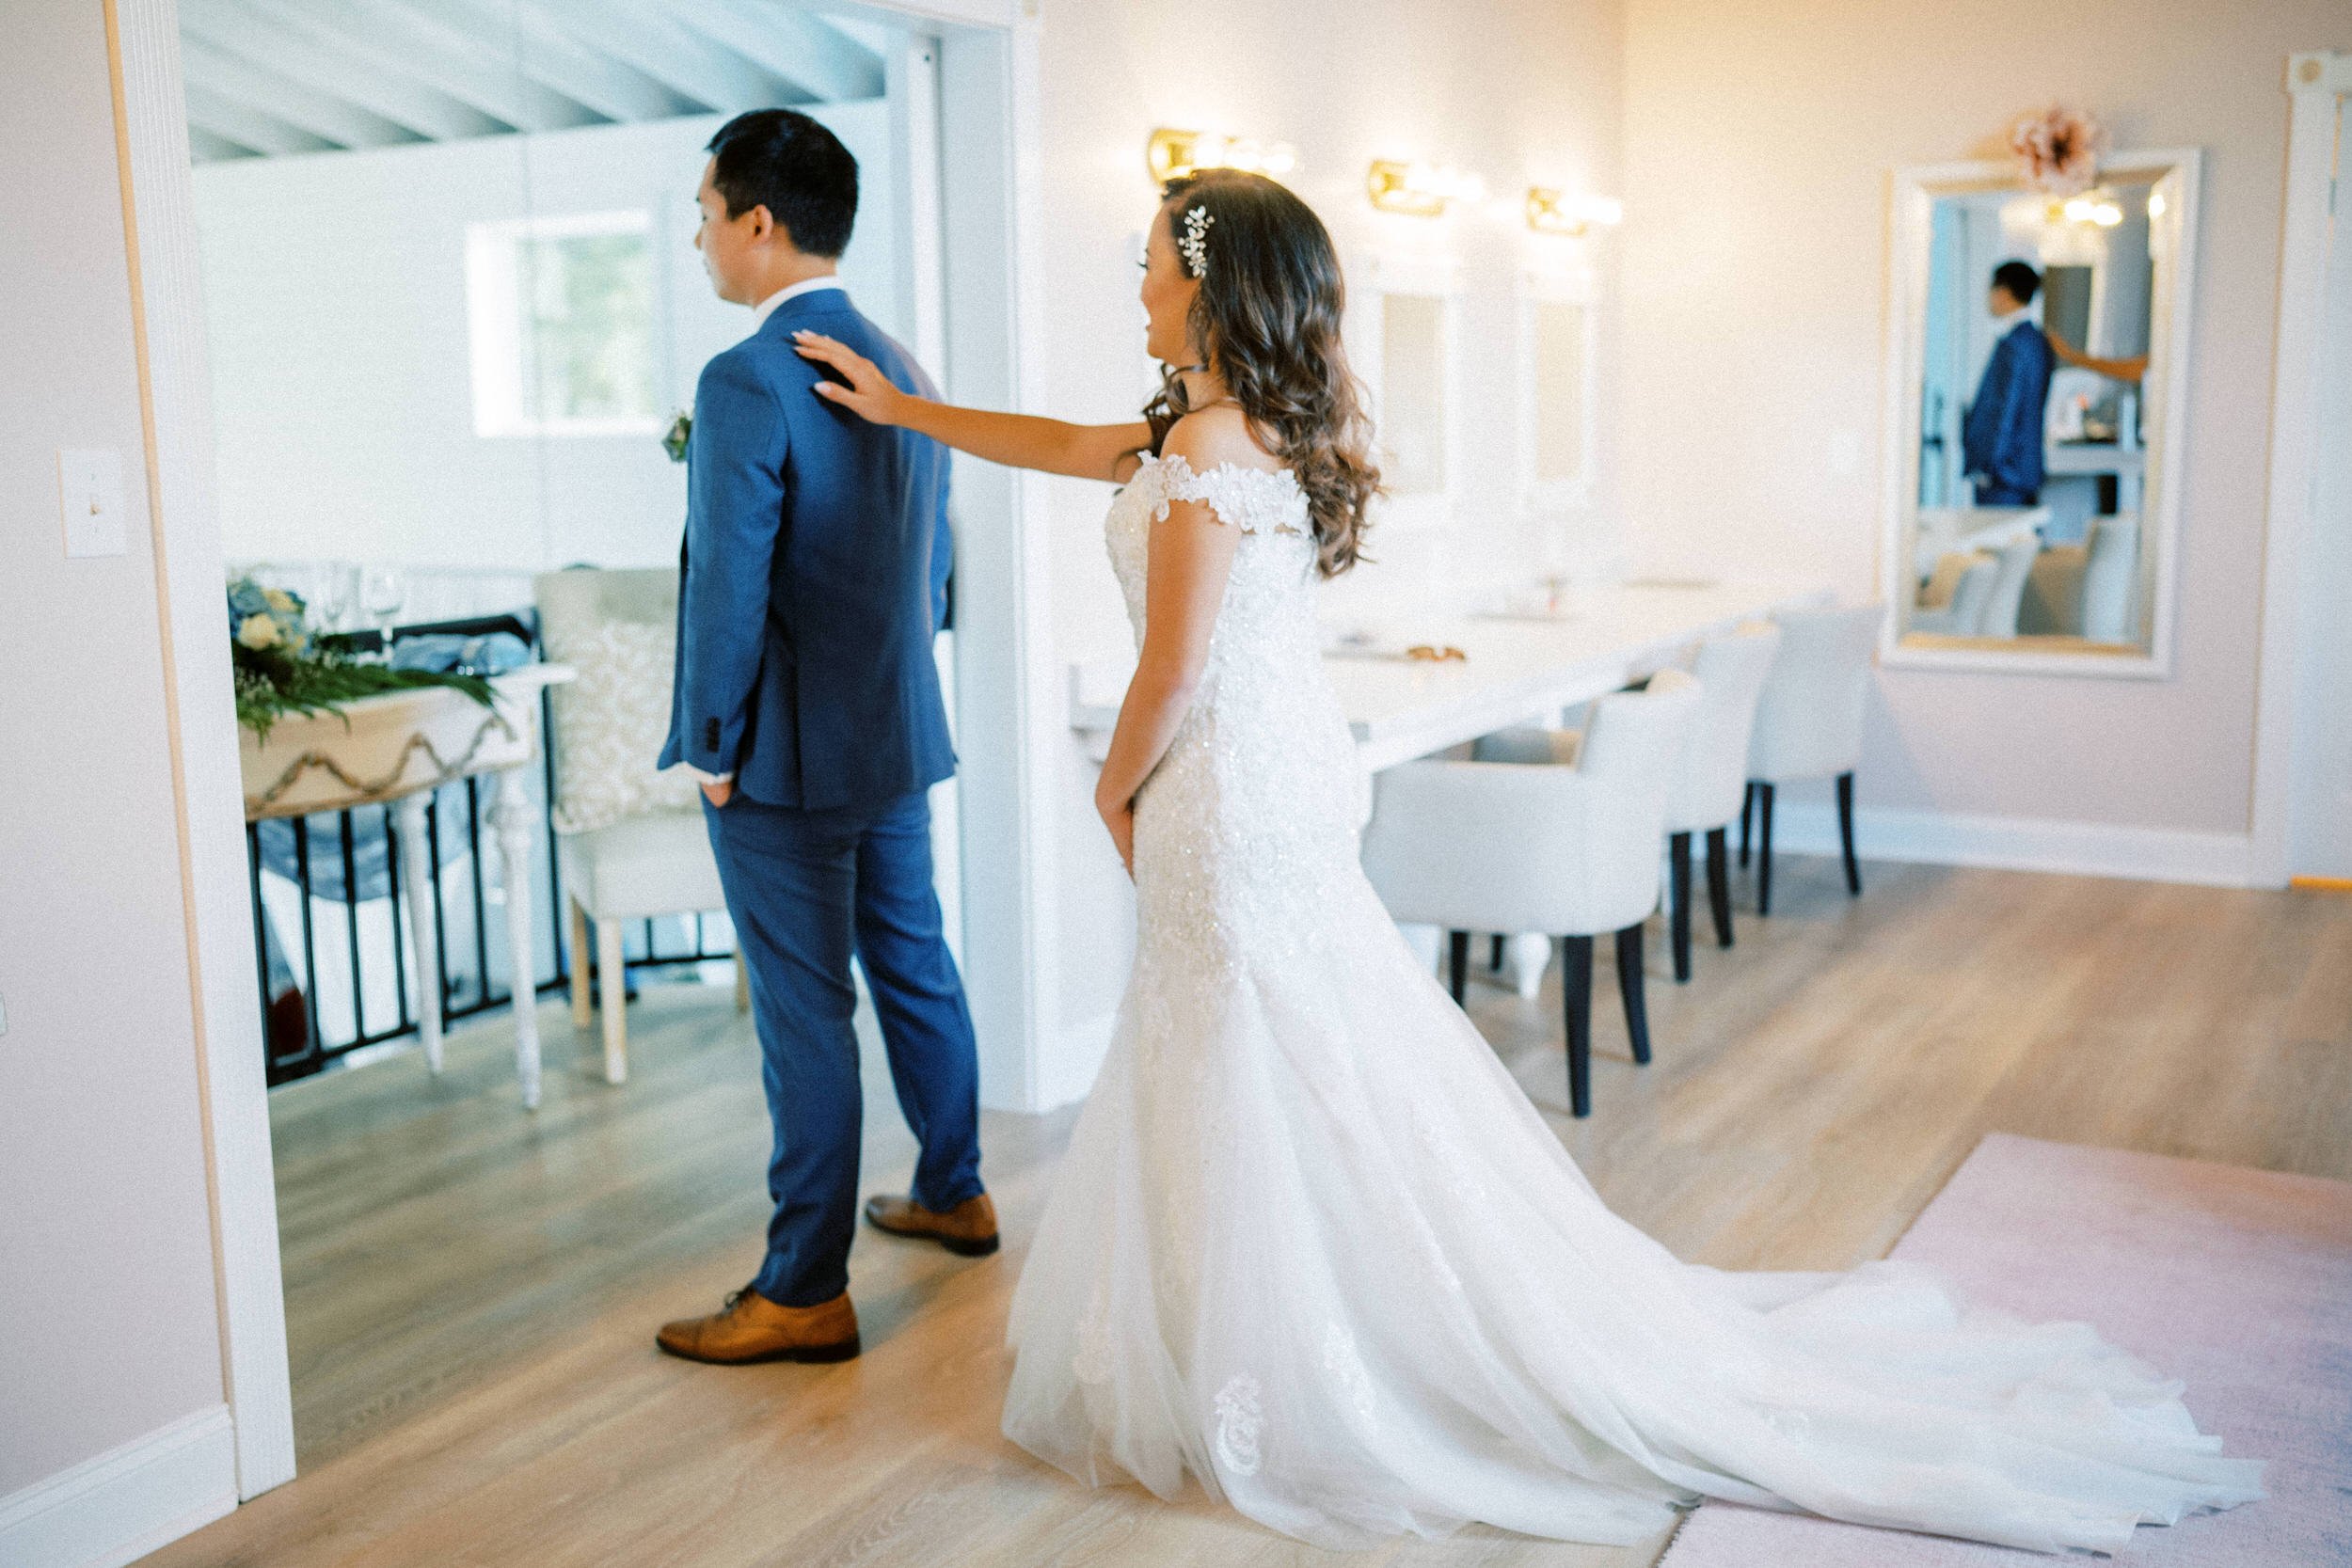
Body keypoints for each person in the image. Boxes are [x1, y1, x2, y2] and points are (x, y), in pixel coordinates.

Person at [789, 169, 2262, 1551]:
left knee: (1248, 1050)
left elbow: (1169, 673)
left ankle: (1302, 1353)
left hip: (1222, 781)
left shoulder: (1202, 448)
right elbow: (1061, 446)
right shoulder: (1230, 428)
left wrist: (1110, 795)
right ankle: (1288, 1328)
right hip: (1281, 773)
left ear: (1209, 283)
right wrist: (908, 410)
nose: (1134, 284)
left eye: (1151, 264)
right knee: (1302, 1054)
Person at [653, 108, 993, 1368]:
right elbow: (937, 564)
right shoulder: (904, 361)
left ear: (757, 220)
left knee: (805, 1014)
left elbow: (729, 583)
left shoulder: (745, 378)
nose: (698, 240)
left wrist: (711, 736)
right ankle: (955, 1185)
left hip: (784, 757)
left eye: (703, 214)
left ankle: (803, 1287)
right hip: (896, 735)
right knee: (914, 965)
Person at [1961, 259, 2058, 507]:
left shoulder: (2013, 345)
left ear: (2003, 292)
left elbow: (2002, 410)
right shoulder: (2039, 342)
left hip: (2004, 474)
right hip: (2026, 467)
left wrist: (1988, 466)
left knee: (1996, 541)